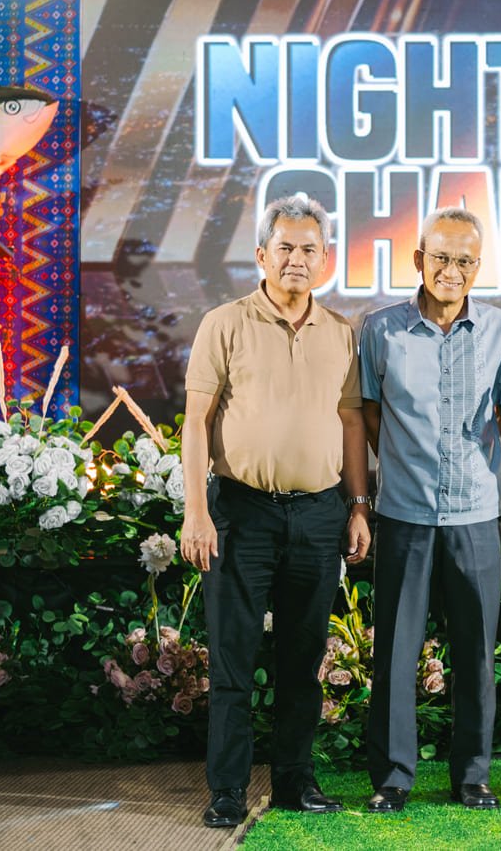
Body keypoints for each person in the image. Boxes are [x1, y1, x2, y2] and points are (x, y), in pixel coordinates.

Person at [179, 193, 372, 829]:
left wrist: (357, 507)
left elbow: (351, 424)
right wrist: (197, 513)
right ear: (262, 255)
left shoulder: (341, 333)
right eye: (285, 247)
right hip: (240, 513)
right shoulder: (224, 323)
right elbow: (196, 423)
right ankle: (227, 790)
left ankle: (295, 781)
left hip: (318, 515)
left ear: (327, 260)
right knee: (233, 662)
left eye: (309, 249)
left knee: (302, 662)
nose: (296, 258)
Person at [357, 208, 501, 814]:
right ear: (419, 260)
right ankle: (393, 777)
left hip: (476, 514)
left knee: (475, 654)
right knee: (396, 653)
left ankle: (472, 776)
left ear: (479, 266)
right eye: (442, 257)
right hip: (405, 512)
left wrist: (485, 465)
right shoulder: (380, 329)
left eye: (465, 260)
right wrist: (405, 464)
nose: (452, 270)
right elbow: (370, 412)